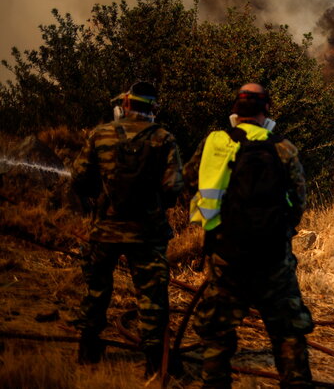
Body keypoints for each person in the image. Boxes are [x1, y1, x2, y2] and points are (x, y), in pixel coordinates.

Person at [185, 83, 313, 388]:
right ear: (266, 109)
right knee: (288, 333)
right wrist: (280, 233)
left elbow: (189, 180)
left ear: (235, 110)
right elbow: (299, 202)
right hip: (274, 260)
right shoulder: (284, 147)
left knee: (217, 332)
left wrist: (213, 224)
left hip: (227, 256)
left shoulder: (214, 142)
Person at [71, 81, 184, 376]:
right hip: (147, 233)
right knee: (152, 298)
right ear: (153, 108)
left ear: (126, 104)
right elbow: (173, 188)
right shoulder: (163, 138)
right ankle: (153, 365)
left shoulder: (101, 133)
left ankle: (87, 351)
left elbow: (80, 179)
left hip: (105, 230)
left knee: (97, 291)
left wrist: (100, 195)